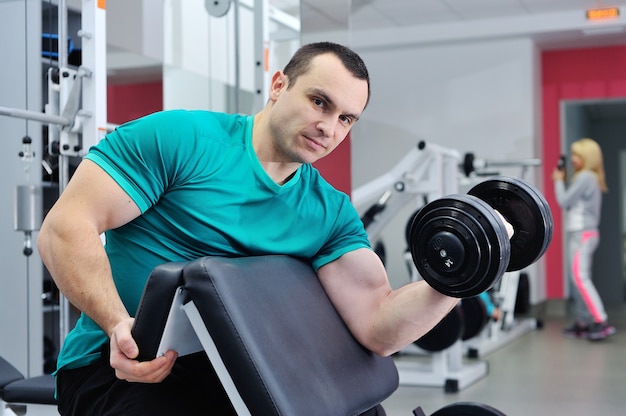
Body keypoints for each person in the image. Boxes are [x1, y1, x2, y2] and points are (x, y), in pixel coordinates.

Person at [37, 42, 507, 415]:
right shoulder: (179, 139)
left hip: (239, 367)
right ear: (279, 85)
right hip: (118, 365)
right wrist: (119, 324)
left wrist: (461, 275)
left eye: (346, 119)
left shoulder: (328, 211)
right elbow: (65, 228)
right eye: (319, 102)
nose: (329, 127)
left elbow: (378, 326)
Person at [552, 138, 615, 341]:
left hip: (583, 234)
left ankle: (600, 321)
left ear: (588, 157)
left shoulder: (586, 177)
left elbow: (564, 201)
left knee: (580, 278)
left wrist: (558, 181)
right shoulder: (588, 177)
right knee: (577, 278)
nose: (573, 159)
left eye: (577, 155)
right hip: (582, 233)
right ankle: (582, 322)